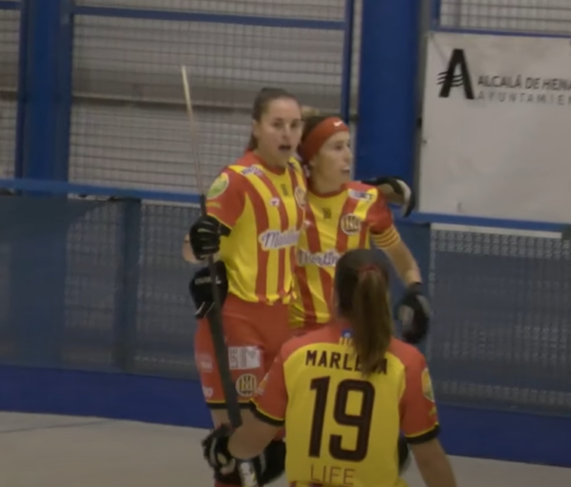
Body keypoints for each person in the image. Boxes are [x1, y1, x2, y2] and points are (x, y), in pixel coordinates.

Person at [202, 248, 458, 487]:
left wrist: (225, 447)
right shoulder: (407, 362)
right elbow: (429, 459)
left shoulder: (295, 353)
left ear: (333, 296)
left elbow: (255, 438)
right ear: (383, 297)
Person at [186, 87, 307, 487]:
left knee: (280, 445)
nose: (287, 133)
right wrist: (197, 239)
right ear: (256, 128)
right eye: (277, 124)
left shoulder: (296, 175)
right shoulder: (237, 180)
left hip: (282, 324)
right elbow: (193, 248)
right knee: (237, 453)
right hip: (237, 323)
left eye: (294, 124)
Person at [290, 114, 430, 343]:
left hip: (354, 332)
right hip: (299, 334)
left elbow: (402, 259)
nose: (349, 156)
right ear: (312, 158)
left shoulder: (367, 200)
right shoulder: (290, 198)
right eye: (337, 148)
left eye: (348, 145)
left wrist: (414, 289)